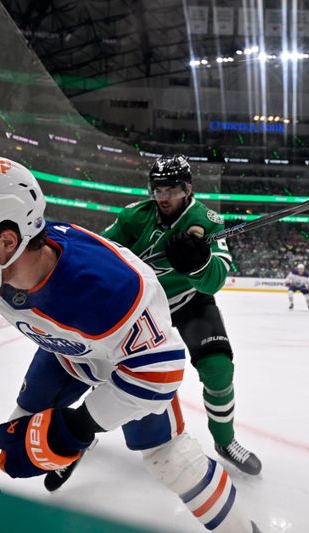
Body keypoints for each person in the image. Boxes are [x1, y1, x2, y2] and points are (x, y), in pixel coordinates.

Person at [0, 156, 261, 533]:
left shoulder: (112, 291)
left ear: (5, 241)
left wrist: (77, 426)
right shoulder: (6, 260)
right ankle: (67, 447)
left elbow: (160, 371)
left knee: (169, 459)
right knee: (18, 433)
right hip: (66, 355)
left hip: (128, 360)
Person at [102, 154, 262, 476]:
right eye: (157, 190)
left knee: (218, 368)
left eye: (171, 190)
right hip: (142, 307)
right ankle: (85, 428)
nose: (163, 197)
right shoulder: (134, 216)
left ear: (187, 189)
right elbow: (101, 252)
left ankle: (225, 440)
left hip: (189, 302)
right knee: (101, 363)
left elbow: (216, 278)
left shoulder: (207, 219)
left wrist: (197, 265)